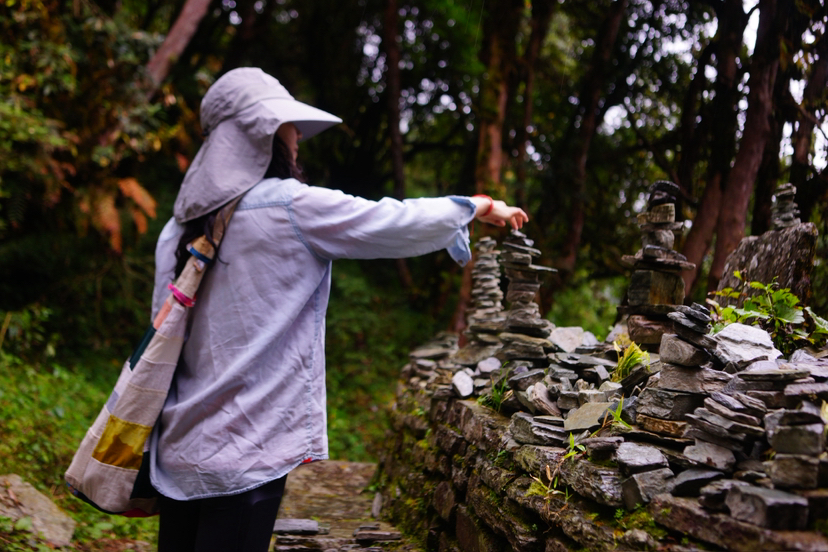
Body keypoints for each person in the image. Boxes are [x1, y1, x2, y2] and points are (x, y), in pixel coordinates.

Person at [149, 67, 528, 552]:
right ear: (264, 134)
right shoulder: (288, 207)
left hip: (177, 449)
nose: (297, 139)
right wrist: (477, 205)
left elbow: (163, 334)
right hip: (245, 452)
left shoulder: (175, 230)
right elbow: (392, 220)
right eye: (289, 127)